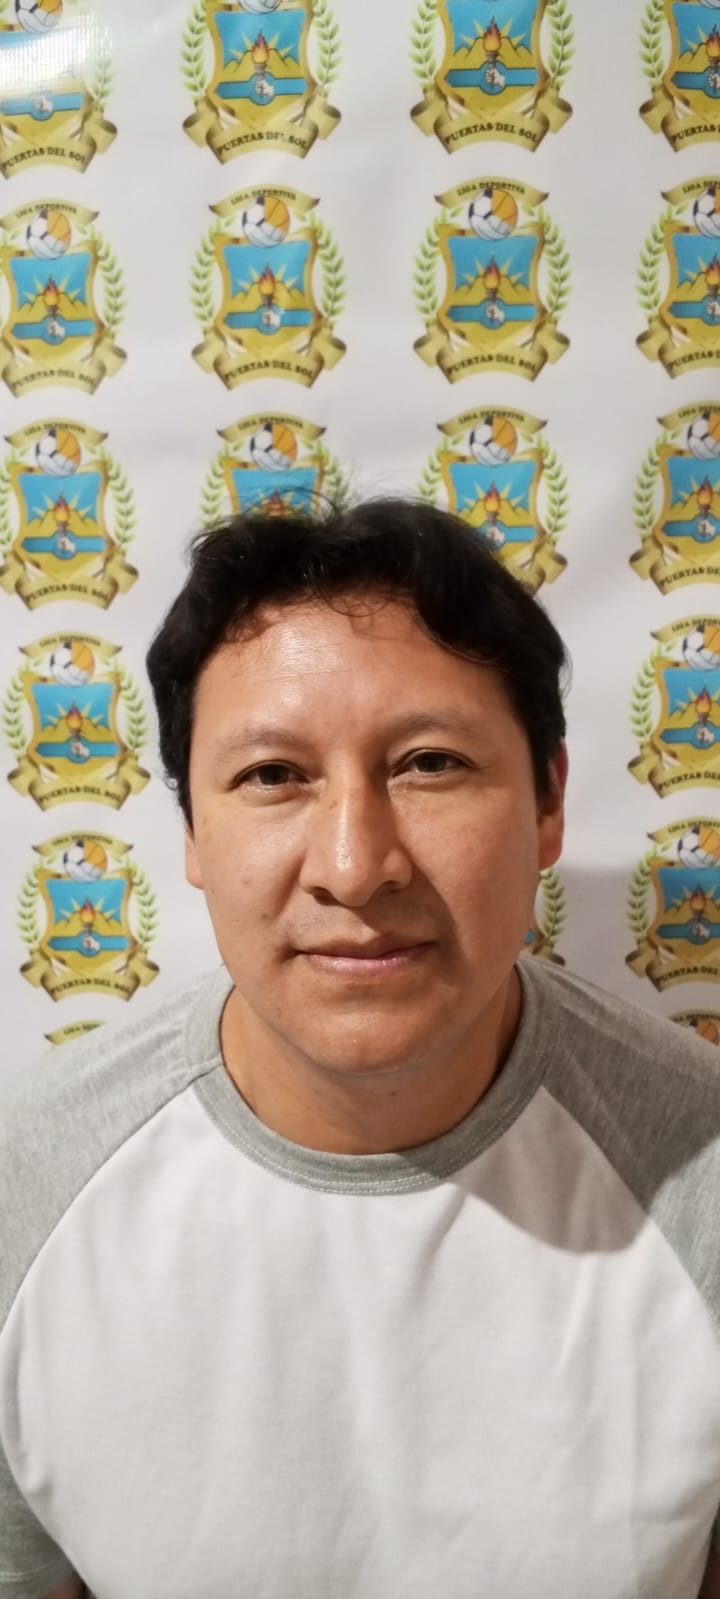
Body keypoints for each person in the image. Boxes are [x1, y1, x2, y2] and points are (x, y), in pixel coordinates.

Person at [1, 497, 720, 1599]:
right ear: (191, 830)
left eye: (429, 763)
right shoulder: (32, 1180)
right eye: (273, 775)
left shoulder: (700, 1166)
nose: (353, 864)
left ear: (548, 803)